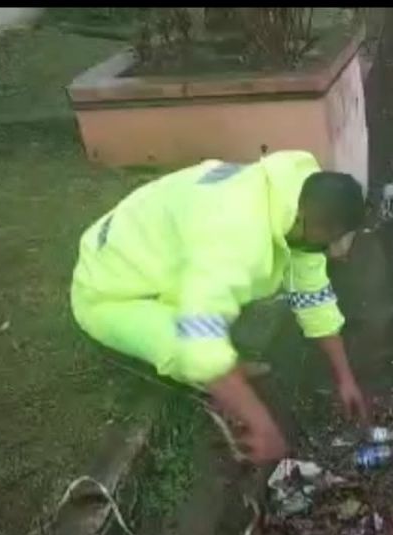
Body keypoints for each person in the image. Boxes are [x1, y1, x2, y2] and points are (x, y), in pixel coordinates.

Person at [70, 150, 371, 464]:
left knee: (216, 310)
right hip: (109, 291)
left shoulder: (289, 195)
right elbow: (199, 342)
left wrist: (345, 379)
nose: (333, 250)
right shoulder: (237, 237)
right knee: (188, 343)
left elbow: (313, 295)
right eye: (329, 239)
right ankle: (224, 384)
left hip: (152, 258)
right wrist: (264, 427)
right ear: (304, 219)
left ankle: (228, 377)